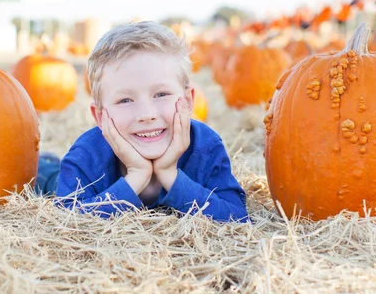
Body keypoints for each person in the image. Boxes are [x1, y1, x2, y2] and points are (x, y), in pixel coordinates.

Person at [36, 21, 248, 222]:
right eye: (125, 100)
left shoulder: (206, 147)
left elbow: (236, 216)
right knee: (47, 176)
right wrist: (136, 177)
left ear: (188, 100)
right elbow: (67, 220)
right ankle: (46, 164)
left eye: (161, 94)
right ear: (100, 116)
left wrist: (169, 174)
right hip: (57, 176)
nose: (147, 114)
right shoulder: (86, 154)